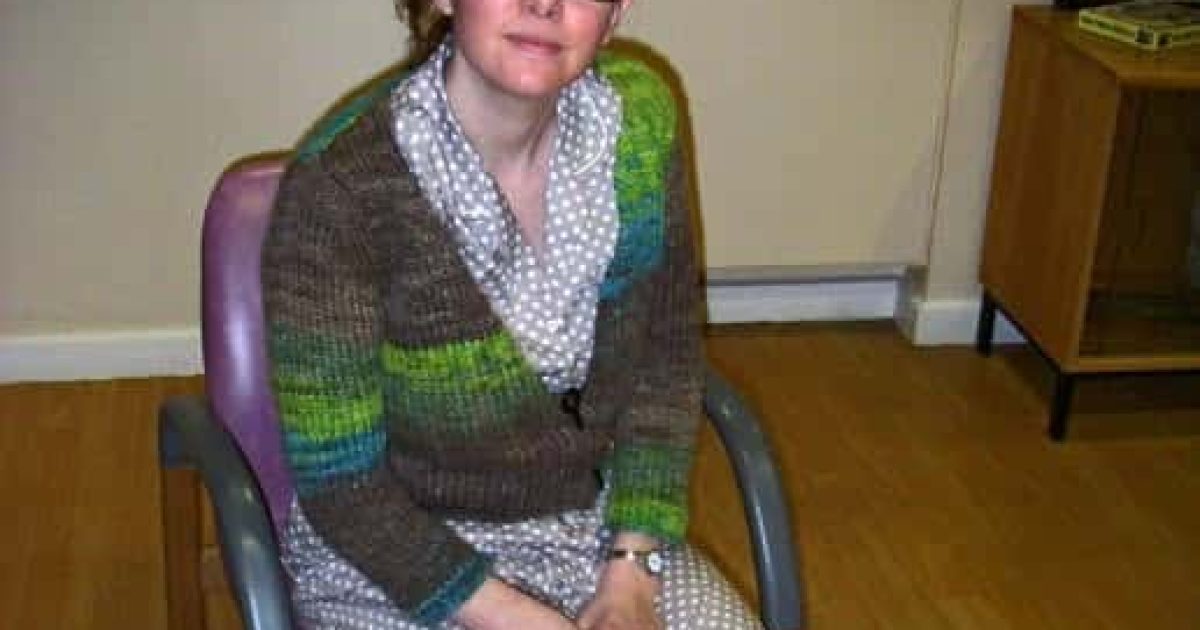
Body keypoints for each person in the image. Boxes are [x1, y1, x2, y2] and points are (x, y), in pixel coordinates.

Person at [261, 0, 762, 628]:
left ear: (616, 11)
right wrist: (516, 617)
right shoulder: (341, 190)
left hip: (595, 531)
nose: (545, 4)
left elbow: (665, 360)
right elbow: (344, 486)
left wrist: (632, 568)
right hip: (397, 557)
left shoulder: (638, 123)